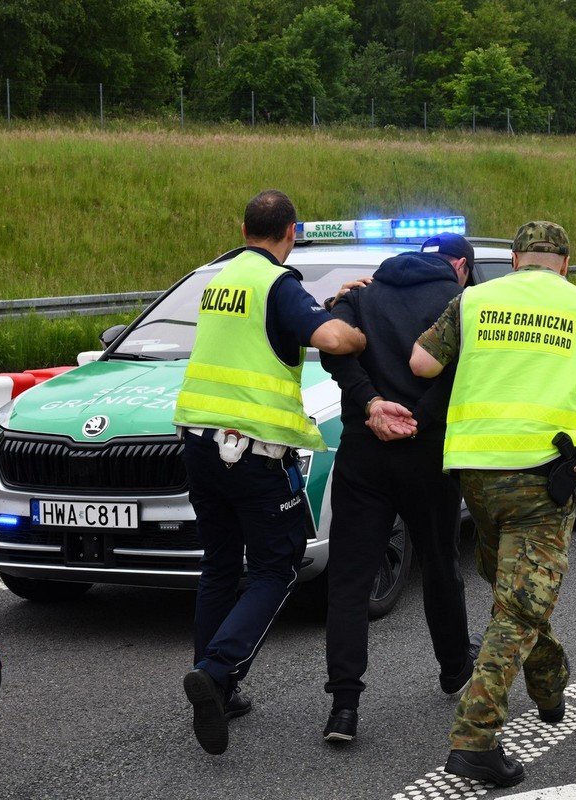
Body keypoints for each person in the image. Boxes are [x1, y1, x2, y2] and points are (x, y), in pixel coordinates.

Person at [410, 221, 576, 787]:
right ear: (564, 263)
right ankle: (475, 737)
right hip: (543, 475)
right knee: (519, 607)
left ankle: (549, 684)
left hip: (474, 471)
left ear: (515, 260)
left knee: (516, 590)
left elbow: (422, 363)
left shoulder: (473, 301)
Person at [173, 189, 366, 756]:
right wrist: (356, 329)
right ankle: (216, 671)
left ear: (244, 229)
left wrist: (320, 304)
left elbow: (267, 328)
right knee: (275, 568)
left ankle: (218, 689)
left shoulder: (222, 278)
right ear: (291, 233)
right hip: (251, 452)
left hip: (198, 443)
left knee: (219, 565)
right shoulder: (277, 284)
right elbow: (330, 338)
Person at [318, 233, 481, 744]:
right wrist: (419, 418)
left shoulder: (361, 294)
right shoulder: (458, 302)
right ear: (460, 266)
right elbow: (462, 371)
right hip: (428, 453)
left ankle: (344, 706)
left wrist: (370, 402)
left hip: (363, 452)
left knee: (350, 579)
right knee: (439, 564)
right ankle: (454, 668)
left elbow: (334, 353)